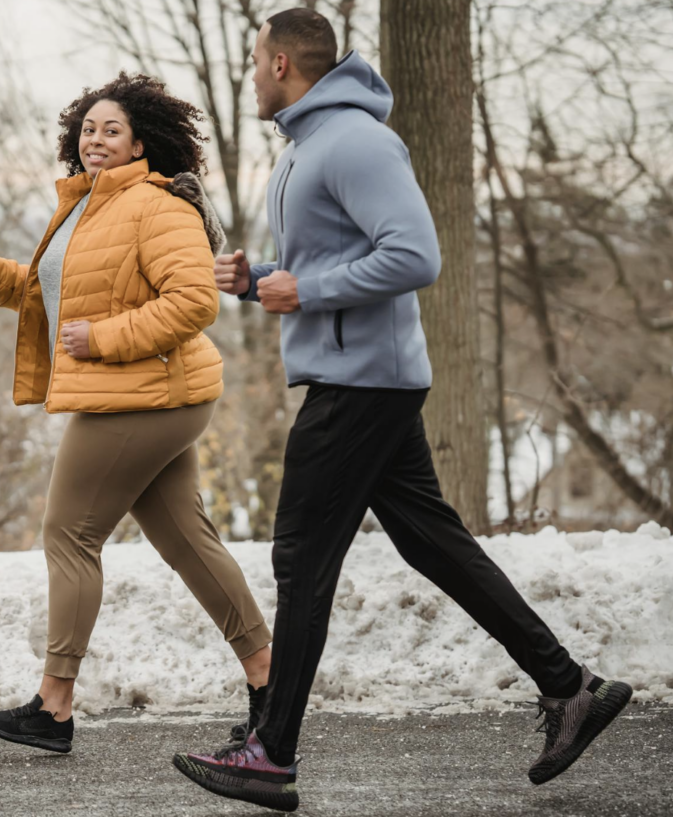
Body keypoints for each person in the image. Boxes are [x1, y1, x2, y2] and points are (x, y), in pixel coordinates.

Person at [172, 9, 632, 812]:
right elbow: (337, 259)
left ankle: (271, 752)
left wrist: (306, 289)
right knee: (434, 544)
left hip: (362, 384)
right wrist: (263, 279)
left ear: (282, 63)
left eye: (253, 62)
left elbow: (415, 253)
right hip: (357, 375)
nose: (248, 75)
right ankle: (570, 687)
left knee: (300, 558)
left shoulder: (355, 141)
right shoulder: (310, 145)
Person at [0, 72, 273, 755]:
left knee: (68, 533)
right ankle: (268, 679)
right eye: (88, 128)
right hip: (146, 394)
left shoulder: (157, 206)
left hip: (141, 394)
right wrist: (0, 279)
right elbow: (67, 296)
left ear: (142, 143)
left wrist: (101, 339)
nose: (95, 139)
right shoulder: (85, 207)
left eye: (112, 130)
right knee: (186, 539)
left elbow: (194, 302)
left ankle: (54, 705)